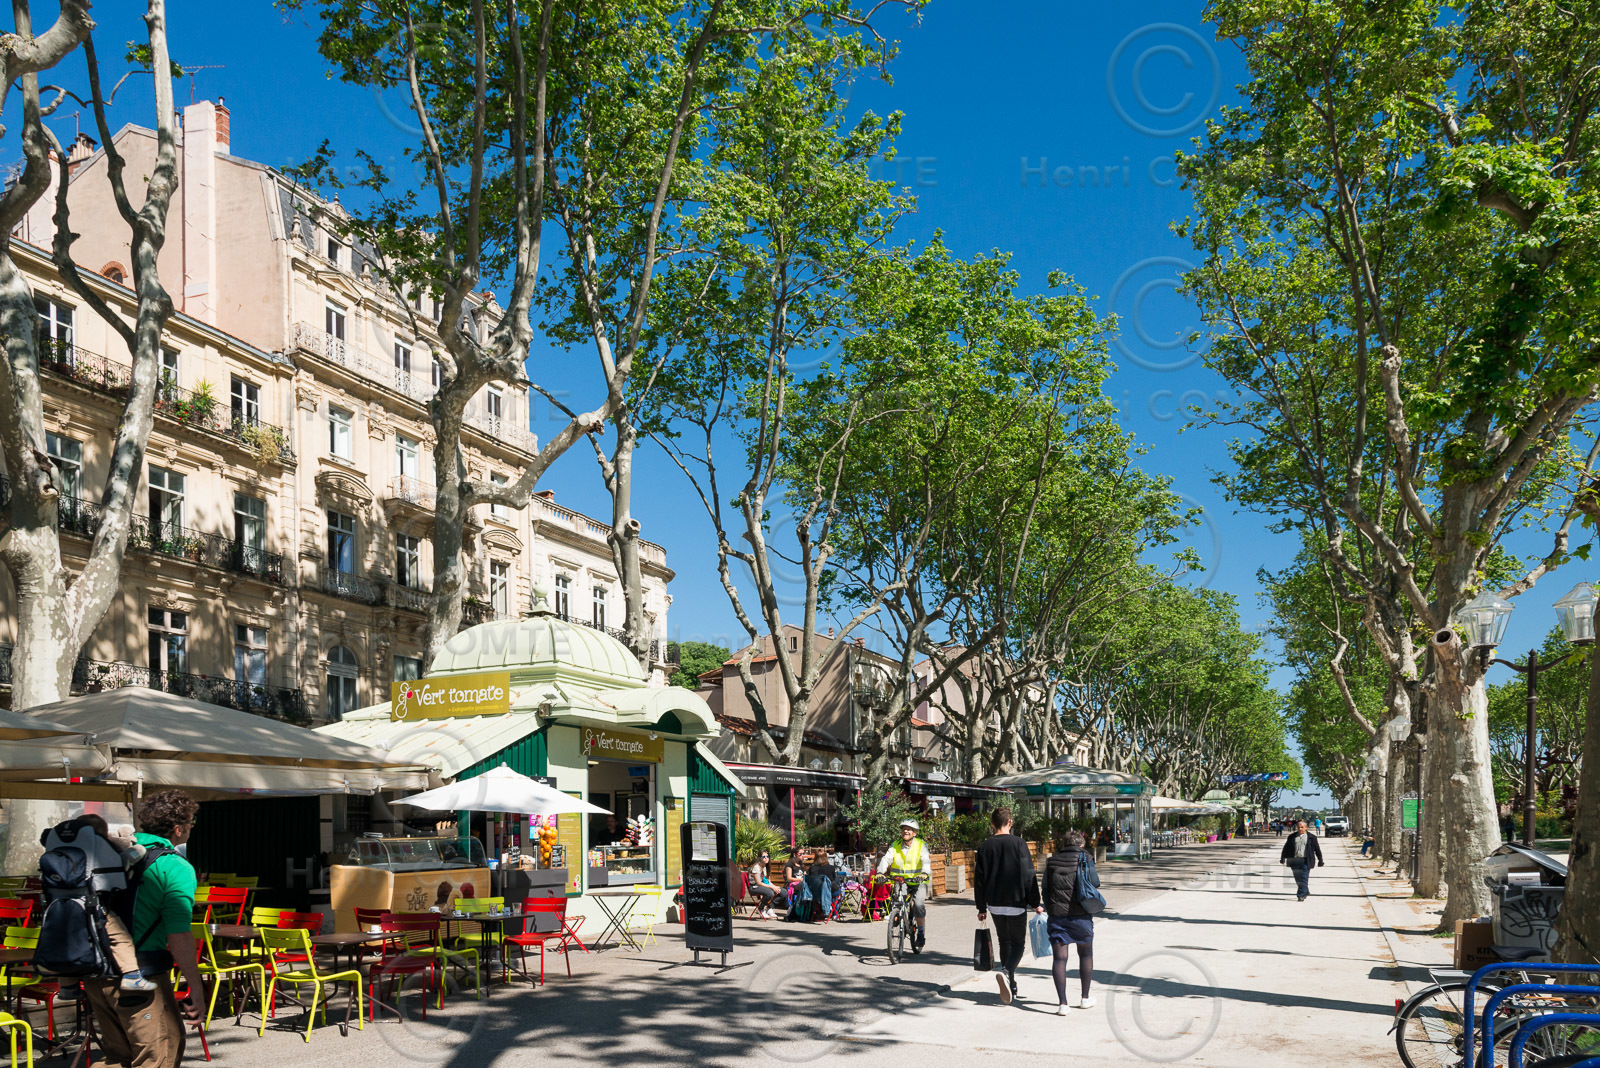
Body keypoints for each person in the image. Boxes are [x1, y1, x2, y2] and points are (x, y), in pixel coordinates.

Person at [82, 790, 205, 1068]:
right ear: (178, 828)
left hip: (97, 973)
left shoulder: (113, 855)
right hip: (141, 976)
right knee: (158, 1056)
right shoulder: (172, 865)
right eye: (191, 822)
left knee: (118, 1058)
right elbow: (179, 934)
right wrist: (195, 987)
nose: (191, 828)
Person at [76, 814, 155, 992]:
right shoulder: (102, 849)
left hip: (70, 908)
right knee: (121, 938)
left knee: (70, 941)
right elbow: (131, 857)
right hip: (96, 906)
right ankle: (132, 976)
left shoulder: (71, 849)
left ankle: (68, 985)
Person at [974, 807, 1041, 1004]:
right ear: (1010, 822)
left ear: (992, 824)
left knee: (1004, 941)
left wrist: (981, 908)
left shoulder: (985, 847)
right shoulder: (1019, 843)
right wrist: (1035, 902)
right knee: (1018, 943)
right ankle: (1006, 971)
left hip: (994, 903)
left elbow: (979, 880)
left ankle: (1011, 984)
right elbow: (1029, 874)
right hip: (1016, 901)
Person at [1043, 829, 1100, 1012]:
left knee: (1060, 959)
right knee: (1086, 954)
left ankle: (1062, 1004)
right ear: (1081, 845)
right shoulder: (1086, 859)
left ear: (1064, 844)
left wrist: (1052, 909)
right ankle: (1085, 998)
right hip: (1081, 916)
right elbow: (1095, 883)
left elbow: (1045, 890)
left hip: (1057, 917)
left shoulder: (1052, 862)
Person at [876, 818, 933, 952]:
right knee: (897, 901)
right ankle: (898, 915)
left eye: (909, 829)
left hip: (919, 880)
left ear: (914, 833)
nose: (905, 831)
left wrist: (924, 873)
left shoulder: (921, 845)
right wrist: (880, 872)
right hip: (901, 880)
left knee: (918, 904)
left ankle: (920, 934)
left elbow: (925, 860)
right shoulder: (895, 845)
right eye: (903, 829)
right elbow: (886, 859)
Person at [1280, 818, 1326, 901]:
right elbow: (1286, 848)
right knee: (1298, 879)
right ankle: (1306, 891)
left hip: (1306, 860)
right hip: (1294, 860)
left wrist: (1320, 860)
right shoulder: (1292, 837)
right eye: (1298, 827)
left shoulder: (1312, 837)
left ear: (1306, 828)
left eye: (1301, 827)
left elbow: (1317, 850)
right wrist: (1282, 858)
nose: (1300, 829)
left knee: (1304, 878)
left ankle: (1300, 895)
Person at [805, 853, 840, 921]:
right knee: (835, 892)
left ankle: (817, 913)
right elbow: (833, 879)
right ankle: (834, 914)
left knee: (830, 891)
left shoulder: (812, 868)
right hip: (829, 892)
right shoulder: (831, 867)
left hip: (815, 893)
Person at [748, 851, 780, 919]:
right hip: (754, 887)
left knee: (783, 892)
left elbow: (768, 881)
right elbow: (759, 883)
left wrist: (775, 887)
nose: (766, 858)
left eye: (767, 856)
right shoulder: (756, 867)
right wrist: (772, 887)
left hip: (763, 886)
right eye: (764, 857)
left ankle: (769, 907)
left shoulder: (765, 867)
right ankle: (760, 908)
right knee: (770, 893)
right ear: (760, 858)